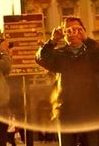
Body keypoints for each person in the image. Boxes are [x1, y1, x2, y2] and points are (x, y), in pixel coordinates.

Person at [35, 16, 99, 146]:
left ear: (83, 31)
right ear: (64, 34)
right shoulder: (60, 54)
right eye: (69, 30)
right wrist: (52, 41)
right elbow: (41, 59)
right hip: (66, 111)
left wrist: (87, 40)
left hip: (91, 111)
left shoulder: (92, 52)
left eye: (77, 29)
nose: (73, 33)